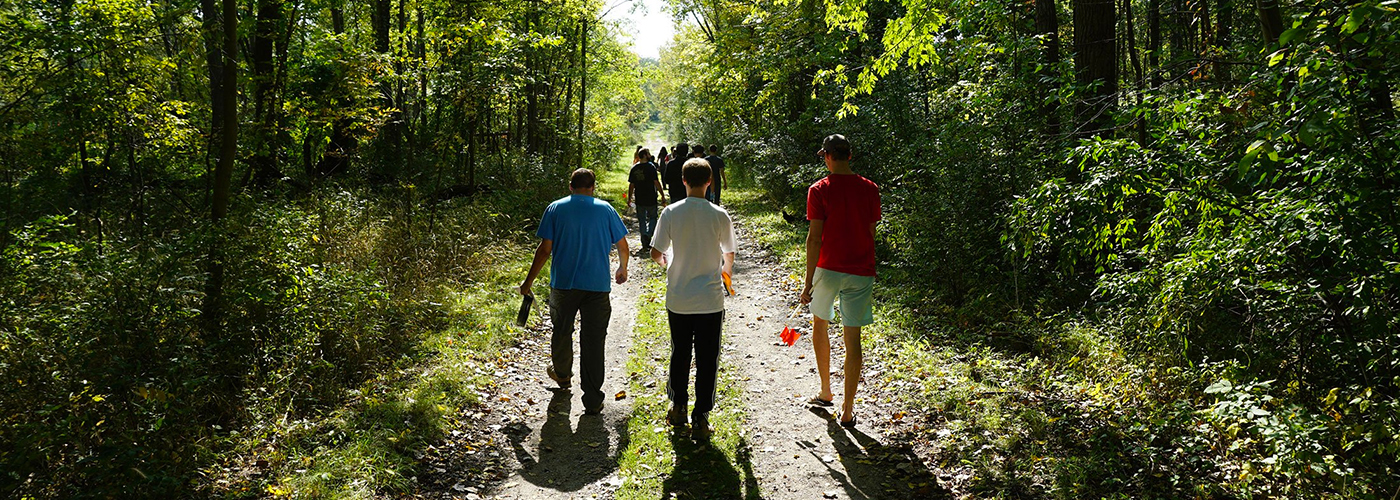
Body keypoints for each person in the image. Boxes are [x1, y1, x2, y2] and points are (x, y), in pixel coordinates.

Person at [520, 168, 630, 415]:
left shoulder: (555, 208)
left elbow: (544, 250)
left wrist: (528, 282)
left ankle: (562, 375)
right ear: (593, 187)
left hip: (564, 285)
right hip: (597, 287)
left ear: (570, 187)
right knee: (593, 341)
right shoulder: (605, 209)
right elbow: (623, 245)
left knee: (561, 331)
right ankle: (592, 400)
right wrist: (623, 268)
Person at [651, 158, 736, 439]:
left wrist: (670, 264)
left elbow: (656, 252)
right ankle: (701, 416)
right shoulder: (719, 215)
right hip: (710, 300)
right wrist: (724, 273)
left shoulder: (671, 213)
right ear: (710, 181)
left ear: (683, 181)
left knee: (680, 352)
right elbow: (729, 254)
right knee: (707, 357)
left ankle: (678, 406)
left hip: (679, 298)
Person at [798, 134, 879, 428]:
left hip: (828, 268)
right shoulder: (870, 188)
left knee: (820, 323)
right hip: (860, 269)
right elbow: (870, 233)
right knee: (852, 336)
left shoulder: (819, 189)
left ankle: (825, 391)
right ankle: (848, 409)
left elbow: (814, 239)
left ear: (828, 156)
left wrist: (808, 283)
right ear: (849, 155)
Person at [627, 148, 666, 252]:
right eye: (648, 153)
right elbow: (656, 182)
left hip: (639, 198)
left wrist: (629, 198)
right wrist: (662, 194)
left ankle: (644, 238)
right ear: (644, 155)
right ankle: (648, 235)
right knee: (653, 217)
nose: (649, 155)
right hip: (651, 197)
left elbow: (631, 185)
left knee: (642, 219)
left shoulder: (634, 168)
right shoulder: (651, 167)